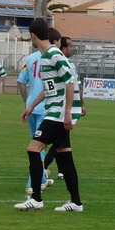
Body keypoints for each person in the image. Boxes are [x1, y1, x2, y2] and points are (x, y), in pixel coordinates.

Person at [15, 19, 84, 212]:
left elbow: (70, 82)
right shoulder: (47, 56)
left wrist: (68, 113)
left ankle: (36, 197)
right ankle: (76, 202)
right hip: (55, 110)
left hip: (58, 113)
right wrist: (31, 106)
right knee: (64, 157)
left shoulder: (54, 54)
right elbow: (51, 88)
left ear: (33, 36)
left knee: (33, 149)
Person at [42, 36, 85, 179]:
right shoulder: (58, 62)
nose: (72, 49)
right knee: (58, 141)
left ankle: (60, 171)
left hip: (67, 108)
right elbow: (66, 85)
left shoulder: (69, 64)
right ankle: (46, 167)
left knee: (61, 141)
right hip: (62, 109)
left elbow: (76, 85)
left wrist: (82, 104)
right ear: (63, 48)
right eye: (70, 46)